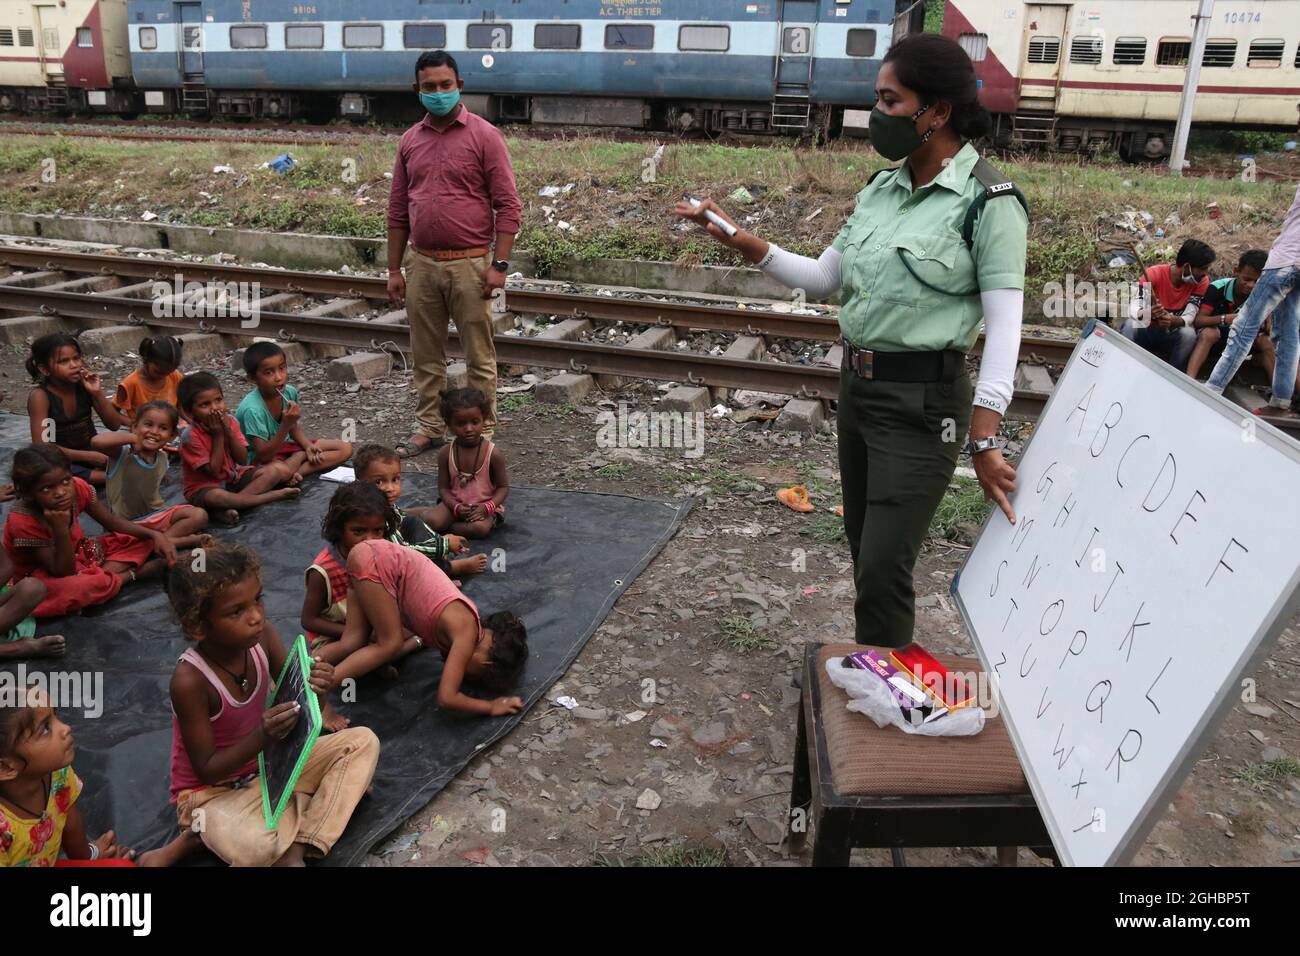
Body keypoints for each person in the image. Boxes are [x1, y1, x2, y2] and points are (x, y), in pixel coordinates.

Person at [676, 33, 1027, 649]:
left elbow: (1005, 329)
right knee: (865, 547)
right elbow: (824, 278)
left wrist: (984, 438)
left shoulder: (989, 203)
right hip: (858, 393)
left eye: (890, 101)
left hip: (925, 408)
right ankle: (881, 675)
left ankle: (890, 693)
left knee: (884, 565)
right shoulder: (881, 189)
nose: (877, 115)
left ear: (937, 112)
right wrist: (731, 233)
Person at [166, 542, 380, 867]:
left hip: (269, 768)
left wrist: (319, 689)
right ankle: (303, 811)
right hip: (213, 793)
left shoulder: (264, 636)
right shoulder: (190, 680)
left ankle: (300, 843)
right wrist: (263, 736)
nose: (255, 616)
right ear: (197, 625)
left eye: (258, 600)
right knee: (255, 847)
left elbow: (302, 708)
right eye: (236, 611)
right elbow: (206, 768)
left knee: (362, 742)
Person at [386, 50, 522, 458]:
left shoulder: (485, 136)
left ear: (460, 85)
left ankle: (482, 431)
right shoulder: (410, 141)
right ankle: (430, 426)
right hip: (422, 262)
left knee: (479, 354)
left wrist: (499, 265)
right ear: (418, 90)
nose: (439, 92)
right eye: (430, 87)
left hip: (472, 263)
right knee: (426, 354)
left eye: (446, 85)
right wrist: (394, 268)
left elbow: (508, 205)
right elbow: (396, 210)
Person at [315, 538, 527, 714]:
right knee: (389, 644)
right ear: (487, 664)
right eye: (473, 675)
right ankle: (320, 693)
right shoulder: (467, 633)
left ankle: (306, 668)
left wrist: (379, 662)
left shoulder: (460, 622)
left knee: (354, 640)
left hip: (367, 556)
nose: (461, 671)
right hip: (378, 562)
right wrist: (490, 706)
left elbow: (411, 620)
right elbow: (446, 697)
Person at [1, 686, 196, 866]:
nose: (65, 727)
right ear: (5, 768)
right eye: (45, 729)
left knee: (121, 866)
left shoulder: (57, 775)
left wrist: (89, 857)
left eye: (55, 716)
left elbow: (70, 820)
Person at [2, 444, 185, 619]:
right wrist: (60, 529)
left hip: (80, 551)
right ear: (27, 493)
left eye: (65, 481)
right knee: (77, 588)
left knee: (141, 538)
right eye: (47, 488)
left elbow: (112, 522)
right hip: (41, 575)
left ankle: (103, 577)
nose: (61, 492)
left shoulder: (78, 487)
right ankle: (130, 575)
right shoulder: (23, 521)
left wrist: (154, 534)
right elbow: (63, 572)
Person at [1207, 182, 1300, 419]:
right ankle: (1280, 401)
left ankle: (1212, 389)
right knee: (1288, 332)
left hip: (1286, 261)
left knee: (1244, 326)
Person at [176, 372, 300, 526]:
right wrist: (218, 436)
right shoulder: (190, 436)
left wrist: (228, 431)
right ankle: (271, 496)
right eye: (205, 405)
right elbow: (214, 472)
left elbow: (241, 459)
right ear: (190, 412)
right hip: (204, 488)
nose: (215, 408)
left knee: (275, 471)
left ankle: (228, 507)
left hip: (232, 478)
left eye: (218, 400)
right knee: (217, 497)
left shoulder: (230, 421)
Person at [353, 443, 486, 576]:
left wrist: (438, 541)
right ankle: (451, 569)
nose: (390, 488)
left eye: (395, 480)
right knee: (417, 559)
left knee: (411, 521)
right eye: (379, 482)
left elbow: (403, 522)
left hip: (396, 549)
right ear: (359, 483)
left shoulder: (381, 504)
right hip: (386, 564)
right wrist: (443, 545)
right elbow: (401, 553)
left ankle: (437, 551)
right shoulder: (374, 517)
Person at [234, 342, 353, 478]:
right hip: (261, 460)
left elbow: (293, 427)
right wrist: (286, 425)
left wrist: (308, 446)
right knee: (276, 472)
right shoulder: (252, 410)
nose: (279, 377)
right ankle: (295, 463)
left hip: (287, 447)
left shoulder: (289, 392)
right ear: (252, 378)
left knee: (345, 448)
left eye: (282, 368)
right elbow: (263, 456)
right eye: (269, 372)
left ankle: (297, 473)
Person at [25, 334, 128, 486]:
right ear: (44, 369)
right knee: (51, 472)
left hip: (93, 450)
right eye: (64, 361)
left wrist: (97, 393)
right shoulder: (41, 397)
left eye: (76, 358)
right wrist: (87, 457)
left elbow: (114, 425)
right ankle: (104, 477)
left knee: (134, 456)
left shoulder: (84, 387)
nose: (74, 365)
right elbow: (43, 447)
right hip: (59, 458)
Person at [100, 401, 210, 543]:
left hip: (155, 516)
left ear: (171, 436)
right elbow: (97, 442)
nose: (154, 431)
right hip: (127, 525)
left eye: (163, 428)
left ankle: (163, 541)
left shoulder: (163, 458)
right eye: (148, 425)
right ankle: (172, 541)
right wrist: (133, 438)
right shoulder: (123, 453)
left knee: (199, 515)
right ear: (134, 427)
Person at [427, 388, 509, 540]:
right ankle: (439, 521)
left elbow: (503, 488)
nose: (469, 429)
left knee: (479, 529)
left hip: (482, 508)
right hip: (455, 506)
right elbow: (443, 488)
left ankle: (446, 528)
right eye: (461, 424)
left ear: (483, 419)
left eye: (475, 422)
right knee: (433, 520)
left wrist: (487, 507)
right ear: (448, 423)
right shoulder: (446, 453)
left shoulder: (493, 454)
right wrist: (455, 506)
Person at [1121, 239, 1215, 369]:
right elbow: (1133, 310)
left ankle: (1174, 375)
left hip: (1170, 334)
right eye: (1202, 269)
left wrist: (1175, 321)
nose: (1205, 273)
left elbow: (1190, 315)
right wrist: (1148, 313)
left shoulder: (1201, 281)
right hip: (1147, 330)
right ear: (1187, 266)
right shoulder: (1154, 274)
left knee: (1188, 335)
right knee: (1129, 325)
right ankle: (1121, 365)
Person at [1184, 250, 1272, 381]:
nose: (1251, 285)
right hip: (1218, 339)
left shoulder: (1264, 295)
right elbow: (1198, 320)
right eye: (1246, 279)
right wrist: (1225, 319)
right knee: (1210, 333)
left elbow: (1269, 327)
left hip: (1244, 340)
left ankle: (1280, 394)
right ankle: (1189, 379)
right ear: (1236, 271)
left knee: (1267, 342)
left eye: (1257, 281)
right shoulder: (1217, 287)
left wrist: (1268, 325)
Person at [113, 335, 185, 423]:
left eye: (169, 372)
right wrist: (133, 425)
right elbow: (113, 412)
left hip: (170, 429)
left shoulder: (175, 376)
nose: (164, 376)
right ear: (146, 359)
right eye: (158, 372)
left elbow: (181, 408)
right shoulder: (131, 383)